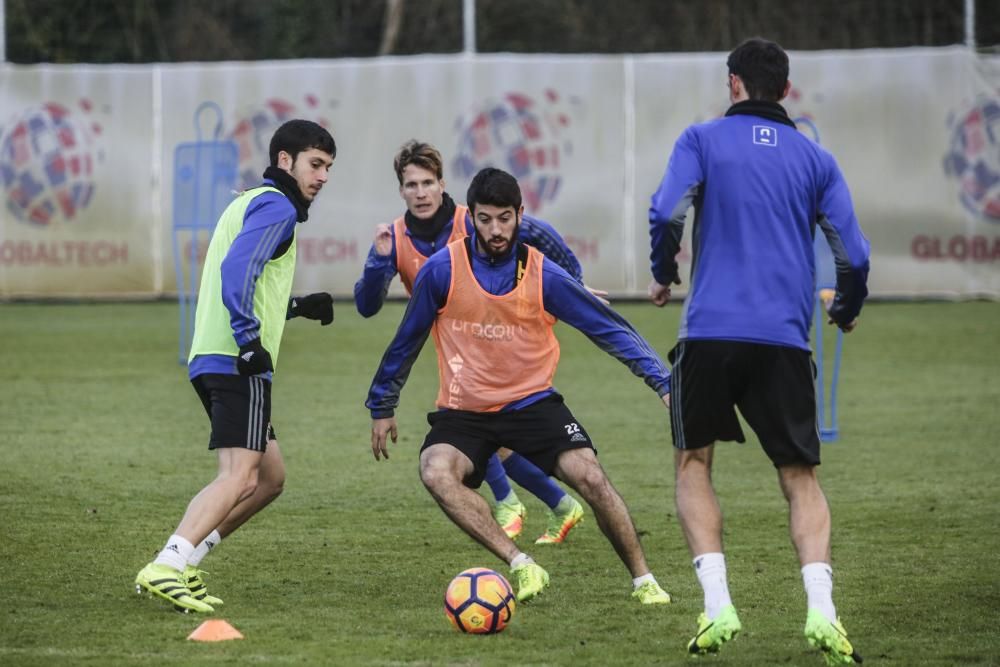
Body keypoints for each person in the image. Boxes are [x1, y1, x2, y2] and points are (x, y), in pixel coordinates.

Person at [648, 38, 869, 664]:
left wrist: (663, 273)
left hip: (710, 333)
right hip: (783, 339)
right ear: (787, 92)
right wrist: (845, 309)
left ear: (732, 83)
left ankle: (718, 604)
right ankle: (822, 613)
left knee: (694, 464)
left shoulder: (700, 139)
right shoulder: (816, 158)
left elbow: (666, 213)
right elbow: (855, 253)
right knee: (800, 478)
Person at [367, 166, 673, 605]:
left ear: (519, 215)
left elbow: (610, 329)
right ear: (470, 216)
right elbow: (406, 341)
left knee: (591, 478)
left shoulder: (542, 273)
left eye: (505, 218)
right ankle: (521, 563)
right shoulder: (442, 270)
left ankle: (645, 582)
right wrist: (382, 404)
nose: (495, 229)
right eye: (486, 218)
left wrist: (661, 382)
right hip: (465, 411)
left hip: (532, 404)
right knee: (435, 470)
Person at [134, 119, 337, 613]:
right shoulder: (278, 207)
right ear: (285, 161)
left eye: (329, 167)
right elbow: (236, 271)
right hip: (236, 361)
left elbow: (249, 281)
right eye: (316, 164)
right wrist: (249, 341)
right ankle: (167, 564)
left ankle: (186, 562)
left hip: (215, 356)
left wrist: (296, 306)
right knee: (239, 475)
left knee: (270, 478)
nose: (324, 176)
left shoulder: (250, 201)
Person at [355, 140, 589, 545]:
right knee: (481, 432)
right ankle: (556, 504)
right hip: (458, 348)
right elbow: (366, 305)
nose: (421, 192)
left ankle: (513, 501)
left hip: (506, 339)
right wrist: (379, 261)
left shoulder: (473, 221)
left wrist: (575, 287)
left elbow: (539, 233)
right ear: (401, 190)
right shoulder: (394, 237)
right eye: (411, 185)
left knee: (477, 428)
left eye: (428, 182)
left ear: (443, 184)